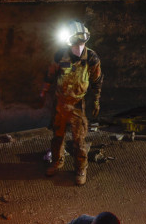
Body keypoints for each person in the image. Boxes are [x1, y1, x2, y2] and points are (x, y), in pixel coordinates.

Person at [40, 20, 102, 185]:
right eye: (75, 44)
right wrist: (43, 91)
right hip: (60, 103)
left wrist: (96, 101)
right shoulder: (60, 55)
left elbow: (97, 82)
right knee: (57, 136)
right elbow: (50, 76)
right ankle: (57, 162)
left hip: (78, 104)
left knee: (79, 140)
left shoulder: (92, 58)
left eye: (81, 43)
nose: (78, 48)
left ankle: (81, 168)